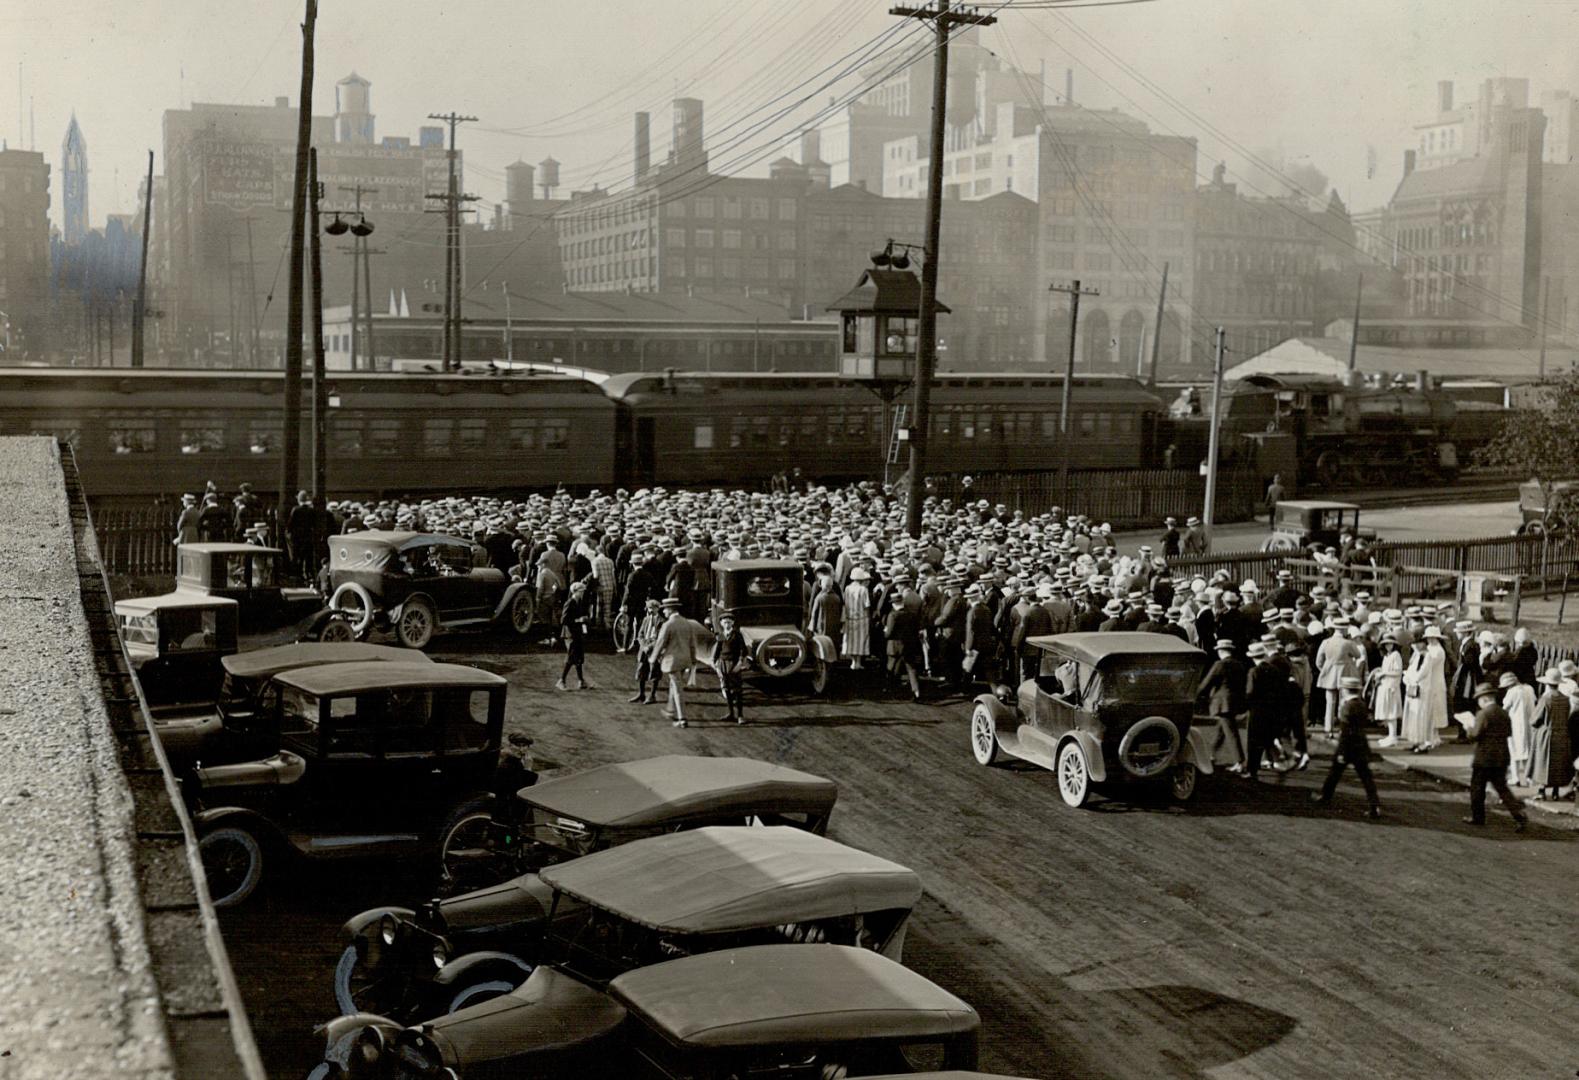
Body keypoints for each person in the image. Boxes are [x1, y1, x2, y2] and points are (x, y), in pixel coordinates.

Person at [1462, 680, 1529, 831]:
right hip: (1502, 756)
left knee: (1477, 788)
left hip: (1484, 757)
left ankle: (1478, 817)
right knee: (1502, 788)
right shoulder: (1503, 713)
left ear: (1484, 699)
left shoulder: (1483, 714)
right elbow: (1508, 733)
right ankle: (1519, 815)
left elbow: (1475, 735)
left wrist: (1468, 727)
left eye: (1479, 699)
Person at [1311, 675, 1382, 818]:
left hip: (1348, 747)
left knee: (1334, 773)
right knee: (1366, 778)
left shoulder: (1346, 707)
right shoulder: (1361, 705)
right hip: (1360, 745)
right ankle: (1375, 806)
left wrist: (1342, 750)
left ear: (1345, 690)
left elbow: (1345, 731)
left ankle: (1325, 796)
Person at [1197, 638, 1248, 771]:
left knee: (1230, 732)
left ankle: (1240, 761)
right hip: (1234, 701)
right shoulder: (1239, 664)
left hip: (1222, 702)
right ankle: (1211, 754)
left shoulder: (1219, 664)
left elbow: (1206, 683)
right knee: (1222, 729)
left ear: (1220, 651)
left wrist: (1194, 694)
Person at [649, 596, 699, 727]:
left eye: (665, 610)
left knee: (677, 688)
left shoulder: (668, 625)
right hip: (685, 660)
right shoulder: (687, 623)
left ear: (670, 610)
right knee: (674, 685)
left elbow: (660, 643)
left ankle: (682, 718)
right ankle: (670, 710)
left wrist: (653, 658)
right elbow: (692, 643)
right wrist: (693, 660)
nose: (664, 612)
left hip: (673, 662)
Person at [1402, 624, 1448, 752]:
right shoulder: (1426, 652)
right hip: (1425, 685)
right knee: (1424, 714)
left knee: (1429, 714)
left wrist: (1411, 678)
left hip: (1432, 685)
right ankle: (1422, 740)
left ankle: (1429, 739)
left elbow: (1424, 669)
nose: (1428, 641)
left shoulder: (1436, 651)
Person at [711, 611, 750, 724]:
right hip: (723, 663)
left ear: (732, 623)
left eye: (729, 622)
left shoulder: (737, 635)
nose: (727, 624)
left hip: (733, 663)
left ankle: (740, 716)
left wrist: (739, 663)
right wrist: (715, 663)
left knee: (737, 690)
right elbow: (717, 650)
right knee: (726, 689)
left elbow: (743, 651)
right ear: (721, 624)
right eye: (725, 622)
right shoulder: (720, 635)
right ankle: (731, 713)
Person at [555, 580, 594, 691]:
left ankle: (581, 681)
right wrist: (578, 620)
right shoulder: (570, 603)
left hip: (577, 633)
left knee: (579, 657)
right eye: (580, 591)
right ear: (575, 592)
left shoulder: (578, 602)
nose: (582, 593)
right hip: (570, 634)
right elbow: (563, 620)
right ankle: (561, 680)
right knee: (572, 657)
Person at [1500, 669, 1535, 787]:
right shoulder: (1529, 689)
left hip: (1515, 724)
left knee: (1514, 751)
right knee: (1528, 751)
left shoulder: (1512, 692)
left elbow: (1505, 707)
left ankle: (1516, 778)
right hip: (1530, 723)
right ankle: (1529, 777)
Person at [1370, 634, 1405, 747]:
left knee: (1392, 712)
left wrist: (1384, 673)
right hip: (1385, 685)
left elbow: (1398, 672)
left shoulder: (1396, 655)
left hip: (1392, 687)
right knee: (1388, 711)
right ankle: (1390, 735)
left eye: (1390, 644)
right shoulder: (1387, 656)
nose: (1388, 646)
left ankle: (1393, 736)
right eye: (1386, 644)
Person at [629, 598, 663, 704]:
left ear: (658, 609)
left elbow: (660, 638)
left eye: (653, 608)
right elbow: (640, 634)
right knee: (641, 671)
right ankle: (641, 694)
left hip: (654, 650)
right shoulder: (645, 620)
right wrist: (643, 645)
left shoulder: (661, 622)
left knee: (654, 672)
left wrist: (650, 646)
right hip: (644, 649)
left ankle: (652, 695)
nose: (650, 611)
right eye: (649, 609)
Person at [842, 567, 873, 671]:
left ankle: (853, 661)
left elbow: (845, 603)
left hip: (849, 617)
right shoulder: (863, 589)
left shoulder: (847, 589)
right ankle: (858, 662)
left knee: (851, 640)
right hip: (861, 618)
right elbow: (867, 605)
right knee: (861, 640)